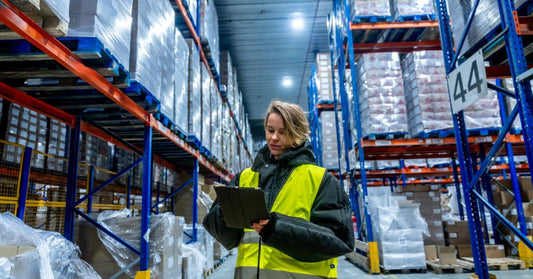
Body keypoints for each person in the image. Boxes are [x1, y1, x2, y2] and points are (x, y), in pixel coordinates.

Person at [203, 100, 354, 279]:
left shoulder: (320, 180)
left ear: (297, 133)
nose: (274, 137)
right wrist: (225, 214)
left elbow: (339, 240)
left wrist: (277, 229)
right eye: (270, 130)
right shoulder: (245, 177)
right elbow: (218, 230)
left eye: (283, 132)